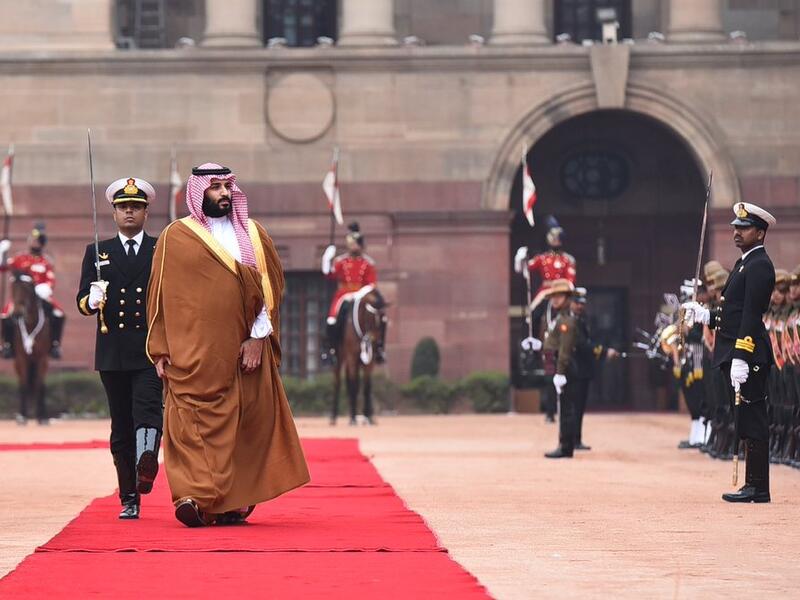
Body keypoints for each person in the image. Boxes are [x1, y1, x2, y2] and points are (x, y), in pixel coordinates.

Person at [146, 163, 309, 527]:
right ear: (197, 192)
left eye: (226, 186)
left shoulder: (252, 234)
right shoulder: (176, 236)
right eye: (214, 186)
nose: (222, 193)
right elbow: (157, 297)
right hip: (190, 353)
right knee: (187, 423)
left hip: (241, 351)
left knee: (244, 425)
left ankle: (231, 501)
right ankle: (193, 496)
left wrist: (256, 339)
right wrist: (159, 348)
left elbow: (270, 290)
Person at [76, 177, 163, 519]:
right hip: (112, 351)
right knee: (121, 426)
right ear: (113, 213)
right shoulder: (97, 252)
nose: (130, 212)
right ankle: (129, 497)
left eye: (136, 207)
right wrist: (91, 298)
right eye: (123, 207)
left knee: (148, 411)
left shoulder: (160, 249)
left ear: (145, 212)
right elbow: (81, 303)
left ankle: (146, 465)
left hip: (148, 347)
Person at [683, 201, 776, 503]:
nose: (737, 233)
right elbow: (732, 313)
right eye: (735, 228)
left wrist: (742, 354)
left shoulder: (760, 265)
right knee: (745, 419)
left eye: (744, 229)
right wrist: (705, 316)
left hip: (747, 355)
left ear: (760, 233)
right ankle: (752, 485)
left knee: (753, 419)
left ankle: (758, 487)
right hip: (734, 349)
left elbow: (751, 315)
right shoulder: (744, 263)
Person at [321, 222, 384, 364]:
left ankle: (379, 348)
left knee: (381, 315)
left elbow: (372, 283)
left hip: (362, 295)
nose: (352, 246)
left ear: (360, 245)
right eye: (350, 243)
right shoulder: (341, 261)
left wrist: (360, 293)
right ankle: (330, 349)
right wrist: (326, 258)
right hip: (343, 294)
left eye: (355, 244)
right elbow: (329, 275)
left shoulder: (368, 263)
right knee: (332, 319)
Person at [0, 224, 65, 359]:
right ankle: (7, 345)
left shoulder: (46, 261)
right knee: (6, 315)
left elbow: (50, 279)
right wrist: (2, 252)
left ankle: (55, 344)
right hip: (22, 297)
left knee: (59, 314)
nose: (33, 242)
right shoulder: (20, 258)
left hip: (40, 296)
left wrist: (46, 288)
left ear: (41, 243)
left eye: (37, 240)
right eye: (32, 239)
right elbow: (3, 267)